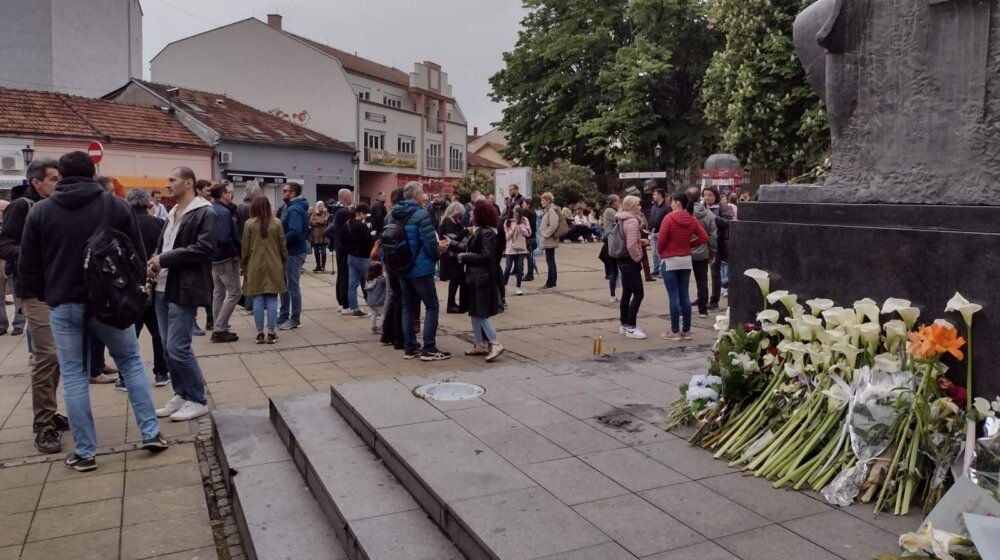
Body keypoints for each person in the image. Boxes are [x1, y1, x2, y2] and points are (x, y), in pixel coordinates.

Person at [20, 151, 168, 471]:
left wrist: (51, 294)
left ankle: (86, 453)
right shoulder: (114, 205)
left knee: (74, 375)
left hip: (64, 304)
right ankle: (151, 433)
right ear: (92, 173)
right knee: (131, 363)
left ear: (61, 175)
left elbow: (27, 267)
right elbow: (136, 255)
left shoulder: (42, 211)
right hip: (109, 304)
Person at [0, 157, 69, 453]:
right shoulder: (22, 206)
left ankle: (49, 410)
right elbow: (4, 243)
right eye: (53, 178)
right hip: (32, 289)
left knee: (55, 355)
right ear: (36, 182)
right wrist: (34, 254)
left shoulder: (54, 206)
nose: (58, 183)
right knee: (47, 354)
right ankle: (43, 424)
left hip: (54, 287)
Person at [149, 167, 216, 423]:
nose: (168, 184)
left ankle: (197, 399)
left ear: (188, 183)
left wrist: (163, 259)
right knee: (167, 348)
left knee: (178, 347)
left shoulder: (203, 212)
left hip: (184, 287)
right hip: (162, 286)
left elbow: (204, 248)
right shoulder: (172, 213)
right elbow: (163, 244)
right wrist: (153, 261)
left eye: (172, 180)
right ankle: (181, 393)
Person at [440, 200, 505, 362]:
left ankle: (495, 343)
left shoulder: (487, 232)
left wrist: (465, 257)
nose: (470, 213)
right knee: (475, 313)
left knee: (481, 314)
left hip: (481, 278)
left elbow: (486, 256)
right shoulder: (480, 231)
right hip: (475, 277)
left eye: (473, 211)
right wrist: (452, 244)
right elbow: (468, 248)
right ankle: (479, 343)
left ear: (480, 215)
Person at [391, 182, 449, 360]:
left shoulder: (395, 214)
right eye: (422, 193)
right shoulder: (421, 215)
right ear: (416, 195)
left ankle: (410, 348)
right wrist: (439, 252)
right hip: (420, 268)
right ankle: (429, 348)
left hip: (402, 266)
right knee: (432, 305)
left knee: (407, 308)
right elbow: (430, 243)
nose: (424, 196)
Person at [120, 189, 170, 390]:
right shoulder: (159, 224)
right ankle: (161, 372)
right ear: (148, 203)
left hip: (130, 285)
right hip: (155, 282)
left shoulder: (122, 226)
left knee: (131, 331)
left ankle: (125, 377)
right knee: (158, 330)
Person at [657, 191, 709, 341]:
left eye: (672, 201)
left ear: (677, 202)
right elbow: (704, 237)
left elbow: (661, 240)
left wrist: (662, 252)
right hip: (685, 259)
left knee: (673, 296)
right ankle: (686, 330)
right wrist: (689, 245)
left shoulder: (669, 218)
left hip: (670, 259)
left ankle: (674, 330)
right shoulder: (692, 219)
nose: (671, 204)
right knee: (685, 295)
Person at [241, 196, 287, 344]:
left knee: (258, 298)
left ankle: (260, 332)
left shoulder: (249, 224)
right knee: (273, 298)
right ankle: (272, 331)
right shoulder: (276, 223)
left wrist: (244, 265)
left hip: (255, 264)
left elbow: (245, 249)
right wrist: (283, 261)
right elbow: (282, 246)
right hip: (274, 264)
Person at [614, 196, 650, 339]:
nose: (640, 207)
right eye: (638, 205)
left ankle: (624, 324)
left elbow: (628, 239)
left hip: (622, 259)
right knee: (638, 293)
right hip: (630, 260)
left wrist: (639, 241)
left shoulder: (621, 218)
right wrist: (638, 258)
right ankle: (631, 326)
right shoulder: (632, 221)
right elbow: (630, 245)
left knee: (627, 292)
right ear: (632, 207)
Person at [209, 183, 241, 343]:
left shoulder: (211, 209)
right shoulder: (223, 212)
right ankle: (220, 328)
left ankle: (218, 325)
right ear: (223, 194)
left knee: (218, 293)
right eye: (229, 192)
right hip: (224, 257)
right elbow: (224, 237)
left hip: (213, 257)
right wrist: (234, 253)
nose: (231, 195)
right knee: (234, 292)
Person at [278, 182, 308, 329]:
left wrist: (281, 243)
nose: (282, 193)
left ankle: (295, 318)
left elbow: (294, 231)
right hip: (291, 251)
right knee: (284, 285)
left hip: (294, 252)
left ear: (293, 193)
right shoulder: (291, 207)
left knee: (292, 286)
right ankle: (283, 315)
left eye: (285, 190)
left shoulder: (295, 209)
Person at [379, 188, 406, 350]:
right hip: (397, 259)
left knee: (394, 296)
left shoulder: (390, 214)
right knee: (399, 299)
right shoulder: (399, 215)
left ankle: (386, 333)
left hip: (389, 259)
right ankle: (397, 337)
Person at [686, 186, 717, 318]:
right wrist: (712, 253)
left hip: (684, 252)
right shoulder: (709, 214)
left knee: (683, 282)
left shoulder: (683, 214)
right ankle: (703, 309)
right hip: (702, 252)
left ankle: (683, 308)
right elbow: (713, 236)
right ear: (700, 197)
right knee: (702, 281)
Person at [341, 203, 374, 318]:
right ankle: (376, 309)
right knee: (372, 283)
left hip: (351, 257)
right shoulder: (362, 226)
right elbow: (369, 243)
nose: (366, 216)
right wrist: (373, 237)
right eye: (365, 214)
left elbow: (342, 241)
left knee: (352, 285)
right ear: (361, 212)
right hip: (363, 258)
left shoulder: (346, 225)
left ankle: (354, 309)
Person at [704, 186, 733, 309]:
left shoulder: (722, 207)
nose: (706, 197)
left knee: (715, 272)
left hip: (717, 243)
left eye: (709, 195)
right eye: (705, 195)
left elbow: (728, 223)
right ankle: (702, 297)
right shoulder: (702, 207)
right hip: (702, 244)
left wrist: (714, 216)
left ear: (715, 196)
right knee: (702, 273)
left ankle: (714, 300)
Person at [0, 200, 25, 336]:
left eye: (3, 210)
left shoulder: (13, 222)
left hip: (11, 264)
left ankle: (19, 324)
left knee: (17, 297)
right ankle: (1, 324)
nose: (1, 213)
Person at [327, 189, 353, 314]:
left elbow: (330, 230)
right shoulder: (344, 212)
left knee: (341, 275)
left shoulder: (337, 211)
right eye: (351, 195)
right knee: (345, 276)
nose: (352, 197)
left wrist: (336, 241)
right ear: (345, 197)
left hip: (339, 248)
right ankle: (346, 305)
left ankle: (341, 302)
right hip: (344, 248)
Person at [439, 201, 468, 313]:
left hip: (455, 254)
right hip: (450, 254)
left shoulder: (455, 221)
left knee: (458, 278)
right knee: (454, 279)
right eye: (460, 212)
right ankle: (450, 304)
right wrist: (466, 231)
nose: (461, 215)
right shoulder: (447, 222)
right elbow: (453, 238)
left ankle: (453, 303)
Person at [502, 205, 531, 296]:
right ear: (512, 210)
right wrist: (513, 229)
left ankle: (518, 287)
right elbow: (506, 236)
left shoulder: (525, 220)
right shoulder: (507, 221)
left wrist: (521, 226)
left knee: (519, 268)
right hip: (510, 249)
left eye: (519, 208)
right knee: (507, 268)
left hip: (521, 249)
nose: (518, 210)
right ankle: (504, 285)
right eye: (516, 209)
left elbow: (528, 234)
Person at [600, 196, 621, 302]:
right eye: (618, 201)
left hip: (612, 240)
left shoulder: (612, 210)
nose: (619, 203)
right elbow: (620, 218)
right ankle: (613, 295)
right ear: (613, 202)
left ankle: (614, 295)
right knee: (615, 270)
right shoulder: (610, 211)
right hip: (612, 241)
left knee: (615, 270)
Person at [539, 192, 560, 289]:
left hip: (549, 240)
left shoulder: (551, 210)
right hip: (548, 239)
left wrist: (546, 234)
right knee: (550, 260)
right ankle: (552, 281)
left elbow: (553, 225)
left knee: (550, 261)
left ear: (548, 200)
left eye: (543, 200)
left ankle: (550, 282)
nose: (541, 202)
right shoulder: (549, 210)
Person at [649, 188, 669, 278]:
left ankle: (662, 270)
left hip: (662, 232)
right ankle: (656, 269)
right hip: (653, 232)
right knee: (654, 252)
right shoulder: (654, 206)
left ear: (660, 195)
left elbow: (668, 220)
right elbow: (652, 218)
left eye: (655, 194)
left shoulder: (667, 207)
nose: (653, 196)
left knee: (660, 252)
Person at [364, 262, 386, 334]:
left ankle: (373, 327)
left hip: (370, 301)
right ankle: (380, 326)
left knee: (374, 314)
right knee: (384, 314)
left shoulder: (368, 279)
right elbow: (386, 280)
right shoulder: (380, 279)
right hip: (379, 301)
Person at [309, 201, 330, 272]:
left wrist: (317, 222)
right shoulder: (314, 213)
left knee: (324, 252)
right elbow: (311, 222)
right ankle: (318, 266)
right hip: (315, 234)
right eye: (320, 205)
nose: (322, 207)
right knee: (316, 252)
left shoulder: (326, 213)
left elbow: (325, 221)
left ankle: (323, 266)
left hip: (324, 234)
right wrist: (320, 222)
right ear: (317, 206)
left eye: (323, 205)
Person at [520, 199, 538, 282]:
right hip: (531, 237)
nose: (522, 205)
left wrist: (527, 234)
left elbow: (531, 227)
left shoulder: (529, 213)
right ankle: (529, 274)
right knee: (529, 256)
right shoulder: (531, 212)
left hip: (529, 238)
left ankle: (530, 274)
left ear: (528, 205)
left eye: (523, 204)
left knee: (529, 256)